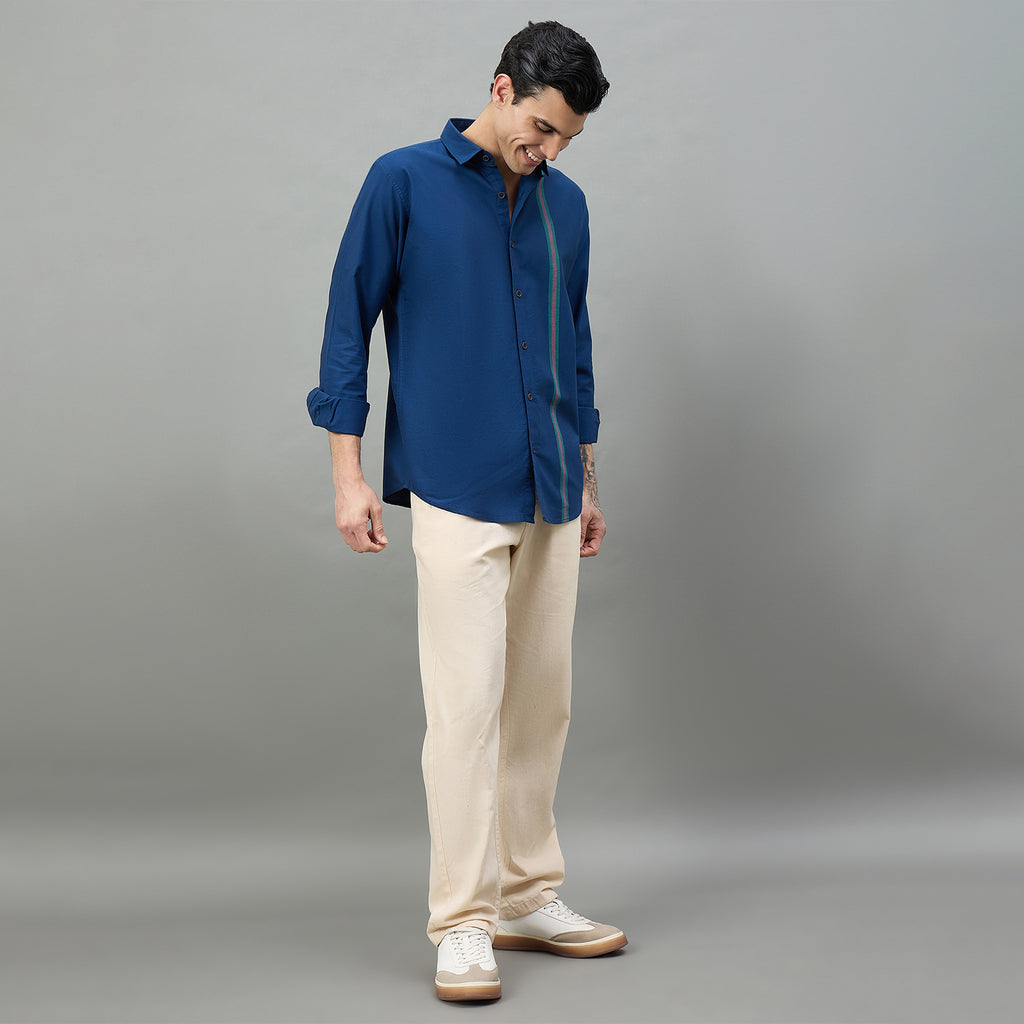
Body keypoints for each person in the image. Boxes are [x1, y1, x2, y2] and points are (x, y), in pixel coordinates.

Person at [307, 20, 625, 1003]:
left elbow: (573, 343)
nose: (550, 150)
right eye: (541, 127)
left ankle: (528, 895)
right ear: (499, 89)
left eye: (567, 137)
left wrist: (588, 477)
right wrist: (348, 475)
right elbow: (347, 324)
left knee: (541, 706)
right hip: (455, 485)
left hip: (551, 487)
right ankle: (462, 920)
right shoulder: (402, 182)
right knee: (465, 713)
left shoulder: (566, 206)